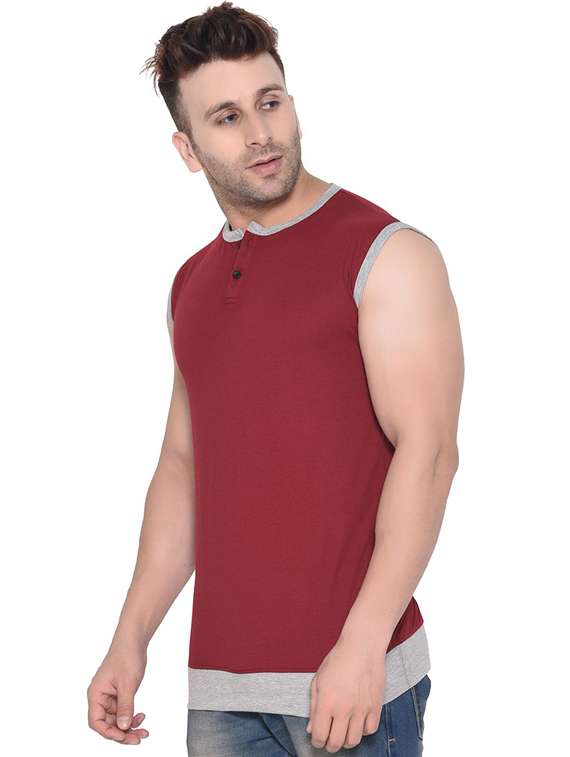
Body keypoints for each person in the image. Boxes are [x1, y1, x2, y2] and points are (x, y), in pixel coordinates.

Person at [86, 2, 464, 754]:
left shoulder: (387, 253)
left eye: (270, 102)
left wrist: (363, 644)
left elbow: (428, 452)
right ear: (188, 149)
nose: (260, 133)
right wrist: (130, 636)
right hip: (221, 694)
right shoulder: (190, 285)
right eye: (226, 117)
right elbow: (183, 467)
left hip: (351, 684)